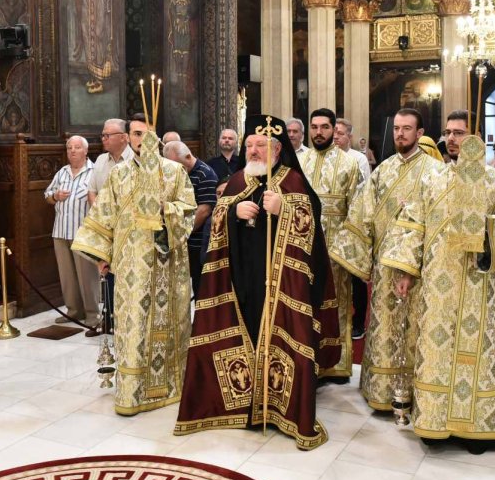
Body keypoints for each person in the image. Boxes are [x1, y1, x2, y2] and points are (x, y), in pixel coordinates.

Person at [175, 114, 338, 449]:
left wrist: (285, 210)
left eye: (259, 146)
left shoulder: (293, 181)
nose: (252, 151)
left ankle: (278, 407)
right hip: (241, 281)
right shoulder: (237, 180)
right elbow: (219, 217)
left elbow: (313, 226)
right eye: (249, 145)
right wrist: (234, 212)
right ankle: (242, 403)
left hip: (280, 286)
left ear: (277, 150)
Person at [384, 135, 495, 450]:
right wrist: (405, 269)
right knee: (435, 353)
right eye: (449, 132)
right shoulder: (431, 180)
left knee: (477, 355)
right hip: (436, 285)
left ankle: (475, 429)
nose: (452, 139)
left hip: (480, 284)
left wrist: (485, 229)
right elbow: (412, 225)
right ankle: (433, 423)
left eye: (460, 133)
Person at [72, 116, 195, 416]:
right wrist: (104, 256)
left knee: (165, 324)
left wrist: (166, 214)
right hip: (128, 268)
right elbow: (105, 215)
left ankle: (167, 387)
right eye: (136, 134)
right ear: (128, 137)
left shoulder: (175, 172)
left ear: (157, 137)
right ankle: (130, 393)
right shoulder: (119, 174)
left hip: (167, 265)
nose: (142, 139)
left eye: (147, 134)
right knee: (131, 327)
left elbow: (188, 211)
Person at [332, 108, 445, 412]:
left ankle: (414, 392)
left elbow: (435, 222)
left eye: (407, 129)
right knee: (383, 324)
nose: (400, 134)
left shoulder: (436, 172)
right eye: (396, 128)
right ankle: (380, 390)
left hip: (420, 268)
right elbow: (362, 212)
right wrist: (353, 253)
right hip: (384, 265)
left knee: (413, 329)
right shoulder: (383, 170)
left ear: (420, 134)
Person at [298, 108, 361, 380]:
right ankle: (308, 358)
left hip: (336, 245)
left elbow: (356, 209)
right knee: (306, 302)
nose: (318, 132)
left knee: (338, 302)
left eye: (324, 127)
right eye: (314, 127)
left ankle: (337, 363)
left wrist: (348, 249)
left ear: (334, 130)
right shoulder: (300, 162)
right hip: (303, 242)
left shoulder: (349, 164)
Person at [44, 136, 99, 327]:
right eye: (69, 148)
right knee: (67, 275)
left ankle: (93, 313)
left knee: (87, 275)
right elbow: (47, 195)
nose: (72, 151)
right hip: (60, 231)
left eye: (76, 147)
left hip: (83, 233)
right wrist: (55, 196)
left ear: (85, 151)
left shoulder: (94, 172)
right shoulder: (62, 172)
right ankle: (74, 311)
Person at [86, 118, 131, 336]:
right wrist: (102, 213)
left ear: (124, 137)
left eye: (107, 135)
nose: (103, 139)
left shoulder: (135, 159)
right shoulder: (101, 161)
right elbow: (92, 191)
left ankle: (126, 320)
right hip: (105, 227)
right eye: (102, 135)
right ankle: (109, 319)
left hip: (128, 228)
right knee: (106, 272)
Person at [162, 140, 218, 290]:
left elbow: (204, 210)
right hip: (178, 242)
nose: (174, 170)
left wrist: (181, 233)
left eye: (177, 165)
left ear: (188, 157)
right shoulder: (177, 174)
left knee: (200, 288)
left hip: (196, 244)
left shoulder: (206, 174)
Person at [334, 117, 372, 182]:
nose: (335, 137)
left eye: (340, 133)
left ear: (349, 137)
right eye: (333, 133)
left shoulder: (359, 159)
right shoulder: (325, 156)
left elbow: (365, 186)